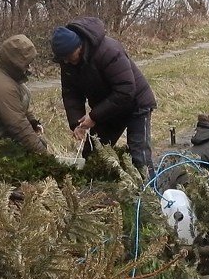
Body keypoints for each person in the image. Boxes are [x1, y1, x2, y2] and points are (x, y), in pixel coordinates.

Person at [51, 17, 157, 173]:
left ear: (79, 46)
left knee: (139, 157)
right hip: (108, 108)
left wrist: (93, 116)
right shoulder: (67, 62)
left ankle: (150, 193)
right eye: (63, 59)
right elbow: (70, 93)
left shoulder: (108, 51)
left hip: (136, 104)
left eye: (68, 56)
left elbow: (126, 90)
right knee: (93, 153)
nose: (66, 61)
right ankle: (98, 190)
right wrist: (76, 123)